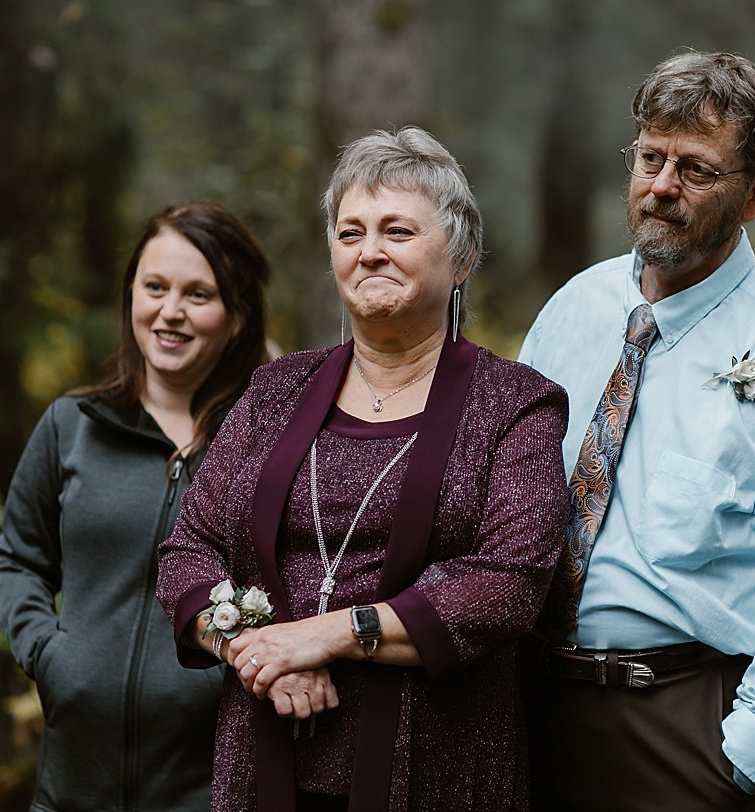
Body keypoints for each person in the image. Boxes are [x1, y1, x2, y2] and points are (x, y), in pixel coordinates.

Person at [156, 126, 571, 811]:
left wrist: (328, 636)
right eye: (350, 234)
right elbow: (186, 550)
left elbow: (507, 584)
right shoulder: (273, 392)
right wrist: (252, 651)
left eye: (397, 232)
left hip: (438, 776)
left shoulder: (516, 406)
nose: (370, 252)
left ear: (461, 258)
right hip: (265, 766)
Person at [516, 51, 755, 811]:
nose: (661, 187)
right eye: (651, 157)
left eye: (698, 171)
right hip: (524, 705)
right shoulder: (571, 310)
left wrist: (743, 753)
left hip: (682, 727)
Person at [0, 201, 273, 812]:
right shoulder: (73, 426)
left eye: (199, 294)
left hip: (209, 788)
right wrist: (51, 657)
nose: (170, 312)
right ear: (131, 298)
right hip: (71, 787)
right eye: (155, 287)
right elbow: (17, 559)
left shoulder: (265, 448)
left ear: (237, 314)